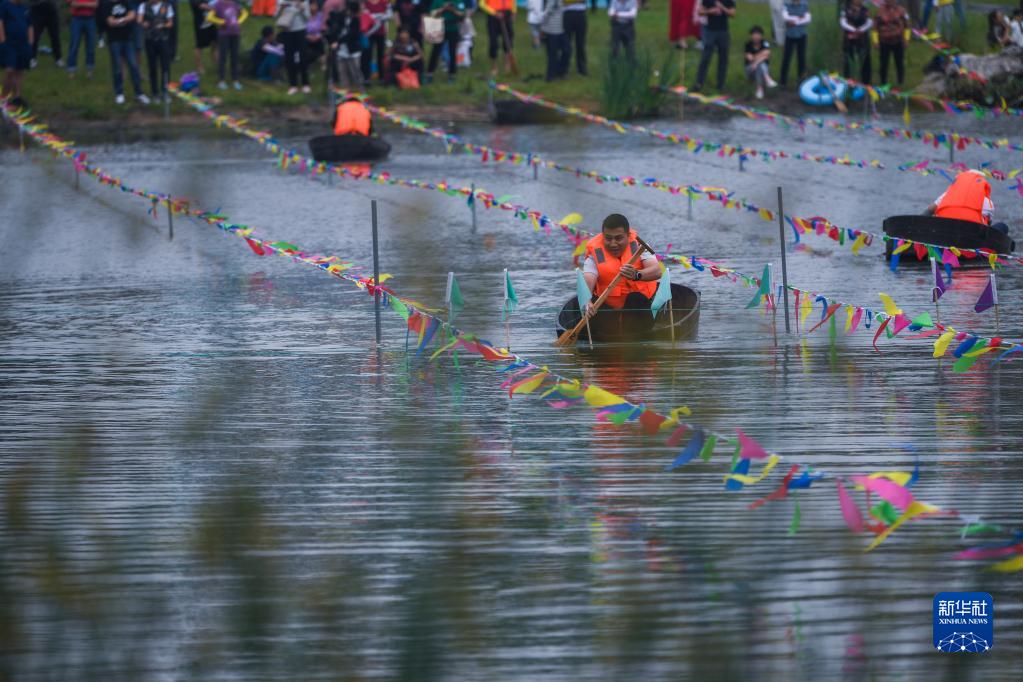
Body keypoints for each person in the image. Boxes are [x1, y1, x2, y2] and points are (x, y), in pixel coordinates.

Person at [579, 213, 661, 332]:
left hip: (638, 306)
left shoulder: (640, 246)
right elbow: (589, 277)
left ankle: (637, 333)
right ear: (603, 236)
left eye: (618, 238)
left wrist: (637, 274)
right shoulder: (595, 252)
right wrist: (586, 300)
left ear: (628, 236)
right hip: (609, 307)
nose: (613, 244)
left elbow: (656, 271)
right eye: (608, 238)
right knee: (590, 302)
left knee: (635, 299)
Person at [924, 170, 1009, 234]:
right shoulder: (987, 202)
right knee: (1003, 226)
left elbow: (929, 211)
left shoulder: (947, 195)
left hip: (944, 233)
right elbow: (988, 224)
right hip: (971, 238)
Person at [102, 0, 147, 103]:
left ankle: (139, 93)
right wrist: (124, 20)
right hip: (114, 40)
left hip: (128, 39)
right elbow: (110, 21)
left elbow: (132, 15)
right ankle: (119, 93)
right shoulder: (106, 5)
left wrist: (119, 20)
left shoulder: (125, 3)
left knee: (134, 65)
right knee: (117, 67)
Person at [693, 0, 734, 92]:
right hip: (710, 31)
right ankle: (699, 83)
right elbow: (700, 12)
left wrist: (722, 8)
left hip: (723, 31)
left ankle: (720, 84)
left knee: (723, 59)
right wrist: (709, 11)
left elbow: (732, 13)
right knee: (705, 58)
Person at [138, 0, 173, 101]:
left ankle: (165, 91)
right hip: (150, 40)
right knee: (152, 66)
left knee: (165, 66)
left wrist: (164, 25)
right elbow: (139, 19)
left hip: (163, 40)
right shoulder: (143, 6)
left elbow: (170, 23)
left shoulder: (167, 6)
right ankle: (155, 92)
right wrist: (143, 23)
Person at [1, 0, 33, 105]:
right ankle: (3, 98)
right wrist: (2, 40)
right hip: (10, 43)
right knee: (10, 70)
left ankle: (17, 97)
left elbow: (30, 25)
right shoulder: (4, 5)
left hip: (23, 44)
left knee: (20, 70)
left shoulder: (24, 8)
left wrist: (30, 41)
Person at [275, 0, 311, 94]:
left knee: (303, 58)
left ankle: (305, 84)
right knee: (289, 58)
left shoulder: (304, 1)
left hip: (300, 31)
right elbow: (275, 16)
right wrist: (281, 9)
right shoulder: (281, 1)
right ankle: (293, 85)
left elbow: (308, 18)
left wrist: (301, 8)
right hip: (287, 32)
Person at [425, 0, 465, 83]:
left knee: (452, 52)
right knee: (435, 51)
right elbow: (432, 13)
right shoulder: (438, 1)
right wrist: (443, 9)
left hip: (453, 28)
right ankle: (430, 73)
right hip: (439, 28)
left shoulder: (458, 1)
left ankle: (452, 75)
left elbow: (462, 15)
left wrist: (452, 10)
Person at [209, 0, 245, 89]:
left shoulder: (234, 4)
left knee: (235, 56)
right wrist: (221, 22)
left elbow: (244, 13)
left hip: (235, 33)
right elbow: (209, 17)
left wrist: (239, 21)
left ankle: (235, 80)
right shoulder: (218, 4)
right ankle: (221, 80)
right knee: (223, 57)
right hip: (224, 34)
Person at [326, 0, 361, 86]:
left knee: (355, 74)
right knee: (342, 74)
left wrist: (338, 42)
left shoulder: (356, 20)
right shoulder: (341, 17)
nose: (347, 11)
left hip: (352, 51)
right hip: (341, 52)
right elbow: (331, 23)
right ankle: (346, 94)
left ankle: (359, 93)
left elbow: (352, 35)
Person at [875, 0, 908, 85]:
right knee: (883, 64)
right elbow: (875, 28)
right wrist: (875, 41)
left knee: (899, 63)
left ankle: (900, 82)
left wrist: (906, 39)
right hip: (884, 42)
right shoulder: (879, 11)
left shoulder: (901, 11)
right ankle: (883, 83)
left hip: (898, 41)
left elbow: (907, 26)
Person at [480, 0, 515, 76]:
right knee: (493, 43)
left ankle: (507, 64)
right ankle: (494, 67)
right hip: (493, 16)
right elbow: (482, 4)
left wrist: (513, 12)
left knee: (508, 41)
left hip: (507, 14)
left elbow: (512, 1)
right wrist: (494, 13)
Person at [778, 0, 809, 87]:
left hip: (802, 34)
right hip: (790, 35)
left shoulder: (804, 3)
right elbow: (785, 17)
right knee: (786, 58)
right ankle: (783, 82)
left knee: (801, 59)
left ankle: (801, 81)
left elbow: (808, 18)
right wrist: (800, 18)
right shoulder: (786, 3)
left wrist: (794, 21)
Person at [841, 0, 872, 83]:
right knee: (849, 61)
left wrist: (861, 30)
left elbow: (869, 22)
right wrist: (853, 29)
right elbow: (843, 22)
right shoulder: (846, 9)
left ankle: (865, 83)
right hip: (849, 40)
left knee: (865, 61)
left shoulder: (865, 9)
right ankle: (848, 82)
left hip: (863, 40)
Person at [360, 0, 390, 83]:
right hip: (367, 34)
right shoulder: (365, 3)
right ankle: (366, 77)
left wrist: (374, 16)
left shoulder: (384, 2)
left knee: (381, 55)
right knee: (366, 54)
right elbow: (363, 15)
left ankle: (382, 77)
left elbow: (389, 15)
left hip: (381, 33)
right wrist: (380, 15)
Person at [67, 0, 99, 77]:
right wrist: (88, 4)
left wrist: (80, 4)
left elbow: (95, 4)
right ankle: (71, 69)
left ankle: (90, 69)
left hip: (90, 18)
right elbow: (73, 4)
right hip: (77, 18)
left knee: (90, 46)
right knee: (74, 44)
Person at [743, 24, 774, 99]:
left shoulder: (765, 43)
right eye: (754, 35)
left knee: (759, 66)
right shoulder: (748, 44)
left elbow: (767, 54)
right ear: (751, 36)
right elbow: (750, 58)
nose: (756, 37)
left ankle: (759, 89)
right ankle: (767, 79)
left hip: (758, 67)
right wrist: (761, 56)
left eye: (758, 35)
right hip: (750, 68)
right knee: (760, 64)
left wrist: (756, 62)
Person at [29, 0, 62, 67]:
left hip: (51, 8)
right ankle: (32, 59)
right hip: (37, 8)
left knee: (55, 35)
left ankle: (58, 59)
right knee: (34, 36)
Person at [540, 0, 566, 81]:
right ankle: (550, 76)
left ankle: (559, 72)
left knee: (567, 50)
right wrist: (542, 28)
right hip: (552, 30)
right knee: (553, 54)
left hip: (560, 30)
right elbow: (547, 12)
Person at [188, 0, 216, 73]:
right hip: (201, 24)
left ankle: (216, 61)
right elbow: (201, 5)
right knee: (200, 46)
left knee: (216, 43)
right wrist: (214, 8)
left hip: (211, 22)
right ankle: (199, 66)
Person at [562, 0, 586, 74]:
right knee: (566, 42)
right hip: (567, 14)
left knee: (580, 42)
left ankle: (582, 68)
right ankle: (564, 68)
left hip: (580, 14)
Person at [305, 0, 325, 70]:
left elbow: (322, 28)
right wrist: (308, 36)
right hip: (308, 36)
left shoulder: (320, 15)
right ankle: (306, 62)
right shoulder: (306, 16)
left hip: (318, 36)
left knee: (320, 44)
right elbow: (303, 29)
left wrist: (318, 36)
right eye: (312, 5)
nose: (313, 7)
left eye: (315, 5)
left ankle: (323, 64)